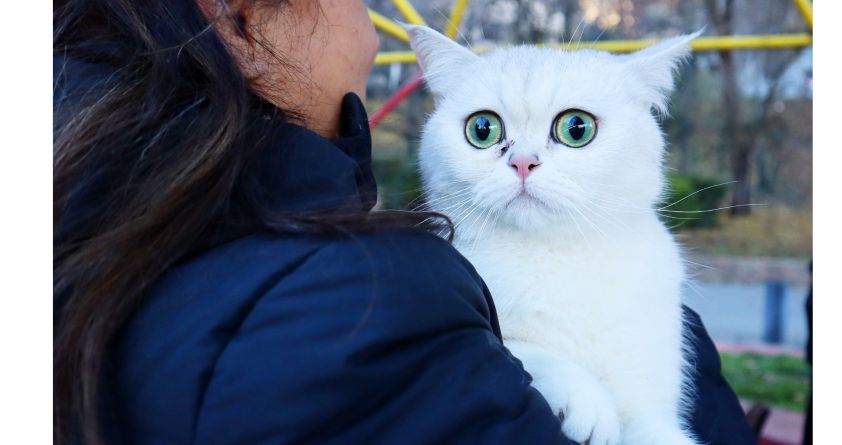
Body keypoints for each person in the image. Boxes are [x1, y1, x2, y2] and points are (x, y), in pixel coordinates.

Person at [53, 1, 755, 444]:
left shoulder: (102, 215)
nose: (523, 161)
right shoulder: (377, 299)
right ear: (242, 18)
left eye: (574, 128)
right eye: (485, 129)